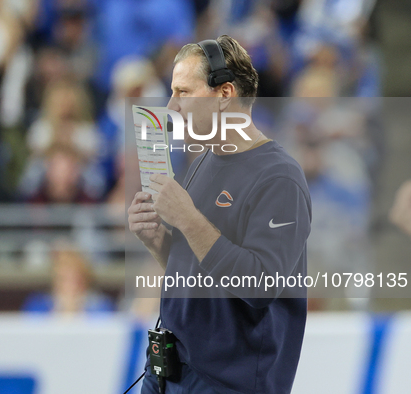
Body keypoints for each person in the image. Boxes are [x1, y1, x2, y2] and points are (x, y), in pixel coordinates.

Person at [128, 35, 312, 393]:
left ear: (225, 94)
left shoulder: (280, 177)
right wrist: (157, 241)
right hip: (170, 369)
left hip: (228, 381)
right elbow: (197, 271)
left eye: (183, 92)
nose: (171, 104)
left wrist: (187, 219)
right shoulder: (203, 163)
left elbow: (260, 286)